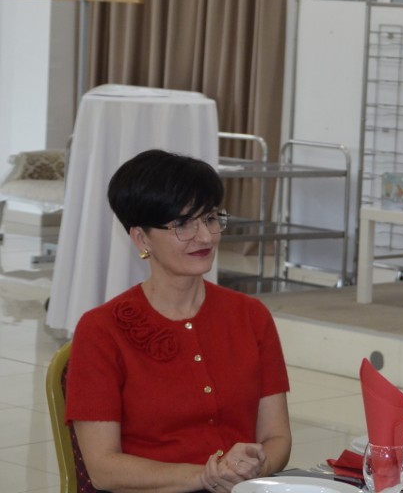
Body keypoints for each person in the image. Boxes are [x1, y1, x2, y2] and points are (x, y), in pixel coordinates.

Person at [67, 149, 292, 492]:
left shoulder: (250, 315)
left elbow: (276, 437)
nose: (205, 237)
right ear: (141, 238)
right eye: (182, 224)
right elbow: (103, 468)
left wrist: (255, 466)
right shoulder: (101, 330)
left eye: (210, 218)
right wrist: (204, 476)